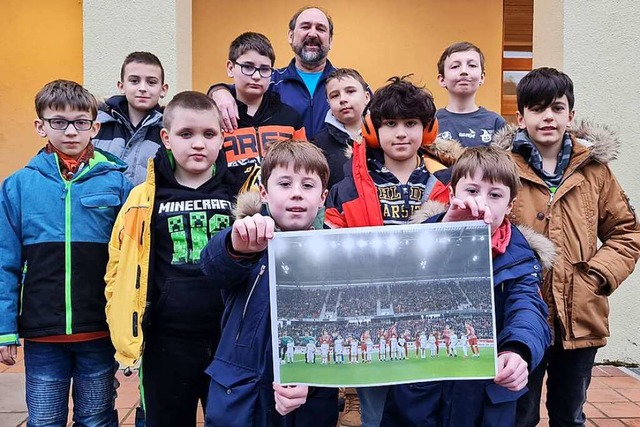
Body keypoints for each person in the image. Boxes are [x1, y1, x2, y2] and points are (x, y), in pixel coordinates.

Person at [491, 67, 640, 427]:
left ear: (570, 115)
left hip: (580, 316)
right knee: (518, 414)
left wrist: (598, 276)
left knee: (569, 413)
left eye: (556, 108)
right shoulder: (503, 169)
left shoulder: (595, 171)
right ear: (520, 116)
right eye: (537, 108)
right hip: (520, 315)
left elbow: (626, 232)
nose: (547, 117)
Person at [381, 146, 553, 426]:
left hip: (484, 399)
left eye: (495, 195)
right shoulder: (415, 243)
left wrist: (518, 350)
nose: (482, 202)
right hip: (420, 395)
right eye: (472, 191)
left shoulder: (521, 257)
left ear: (510, 205)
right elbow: (397, 290)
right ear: (452, 195)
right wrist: (442, 239)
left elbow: (528, 309)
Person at [326, 76, 458, 427]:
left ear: (428, 131)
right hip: (372, 319)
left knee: (423, 410)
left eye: (411, 123)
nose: (401, 133)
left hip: (430, 319)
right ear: (372, 129)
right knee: (374, 413)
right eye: (391, 124)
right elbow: (332, 245)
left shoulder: (449, 185)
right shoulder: (346, 188)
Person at [0, 79, 132, 426]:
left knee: (97, 417)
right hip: (43, 333)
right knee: (44, 418)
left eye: (80, 122)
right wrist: (5, 329)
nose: (70, 131)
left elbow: (133, 259)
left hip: (99, 330)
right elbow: (5, 263)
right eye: (58, 121)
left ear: (95, 126)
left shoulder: (117, 183)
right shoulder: (18, 186)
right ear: (39, 125)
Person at [105, 91, 233, 426]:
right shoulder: (144, 197)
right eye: (186, 134)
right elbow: (118, 264)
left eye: (209, 134)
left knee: (234, 419)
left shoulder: (239, 192)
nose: (198, 144)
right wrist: (123, 328)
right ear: (166, 138)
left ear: (222, 137)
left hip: (229, 339)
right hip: (166, 340)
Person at [199, 139, 339, 427]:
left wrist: (313, 382)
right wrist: (235, 246)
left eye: (308, 186)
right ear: (263, 192)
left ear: (323, 196)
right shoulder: (246, 238)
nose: (297, 195)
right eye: (285, 184)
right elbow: (213, 268)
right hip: (242, 393)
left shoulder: (336, 252)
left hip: (307, 399)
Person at [209, 7, 336, 139]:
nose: (312, 34)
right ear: (290, 36)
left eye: (320, 29)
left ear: (330, 40)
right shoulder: (269, 79)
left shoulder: (345, 84)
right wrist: (218, 92)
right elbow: (237, 89)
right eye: (305, 27)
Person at [222, 32, 306, 195]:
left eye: (264, 69)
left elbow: (304, 168)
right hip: (231, 208)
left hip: (281, 210)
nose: (256, 76)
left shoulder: (290, 117)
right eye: (248, 67)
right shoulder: (217, 116)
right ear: (231, 68)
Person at [93, 51, 168, 185]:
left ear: (163, 89)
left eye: (151, 82)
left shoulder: (168, 131)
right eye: (134, 81)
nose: (142, 88)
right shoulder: (97, 125)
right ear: (121, 86)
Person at [436, 42, 505, 147]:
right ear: (442, 79)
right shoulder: (431, 121)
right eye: (455, 66)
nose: (464, 71)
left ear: (482, 77)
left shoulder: (496, 123)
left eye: (472, 65)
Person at [313, 68, 370, 189]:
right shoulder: (318, 144)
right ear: (328, 103)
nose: (342, 99)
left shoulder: (384, 135)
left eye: (350, 91)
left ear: (366, 97)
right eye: (335, 95)